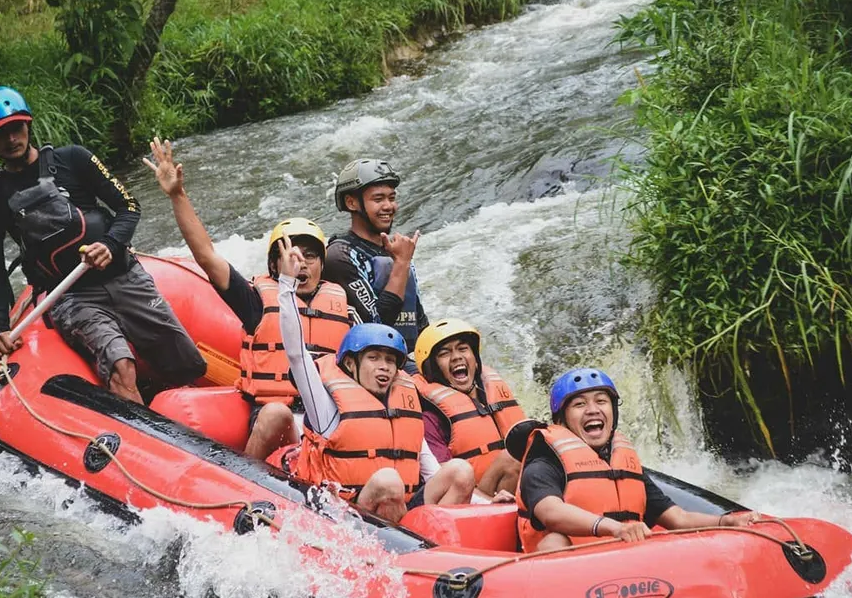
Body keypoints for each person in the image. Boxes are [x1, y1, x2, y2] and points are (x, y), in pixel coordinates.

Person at [0, 87, 205, 404]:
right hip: (70, 296)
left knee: (187, 365)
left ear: (28, 125)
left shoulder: (74, 159)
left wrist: (110, 244)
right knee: (121, 366)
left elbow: (129, 206)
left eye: (16, 127)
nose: (11, 139)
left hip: (125, 276)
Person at [142, 137, 351, 459]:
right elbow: (207, 256)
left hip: (328, 415)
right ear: (273, 265)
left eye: (311, 256)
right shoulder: (255, 301)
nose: (302, 262)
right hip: (276, 413)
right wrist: (178, 195)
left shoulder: (341, 305)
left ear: (323, 265)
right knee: (275, 414)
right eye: (291, 254)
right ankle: (247, 483)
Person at [272, 235, 474, 523]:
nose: (385, 368)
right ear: (351, 364)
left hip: (403, 523)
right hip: (346, 515)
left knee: (460, 471)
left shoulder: (403, 405)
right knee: (389, 480)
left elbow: (433, 474)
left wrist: (485, 501)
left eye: (391, 361)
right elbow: (296, 354)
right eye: (374, 358)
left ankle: (434, 552)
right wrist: (286, 285)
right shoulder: (326, 407)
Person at [514, 368, 762, 552]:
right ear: (561, 420)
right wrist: (614, 527)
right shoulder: (543, 461)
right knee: (553, 541)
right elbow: (550, 512)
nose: (592, 410)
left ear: (613, 411)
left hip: (626, 566)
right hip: (572, 568)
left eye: (601, 401)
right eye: (579, 404)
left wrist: (725, 520)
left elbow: (678, 519)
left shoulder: (623, 464)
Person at [412, 319, 525, 502]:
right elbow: (443, 481)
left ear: (475, 359)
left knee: (520, 454)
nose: (456, 357)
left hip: (507, 496)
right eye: (444, 353)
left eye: (463, 349)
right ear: (432, 368)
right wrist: (488, 502)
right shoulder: (431, 419)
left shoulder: (495, 396)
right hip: (466, 502)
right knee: (510, 459)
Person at [324, 159, 428, 351]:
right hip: (370, 362)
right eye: (378, 199)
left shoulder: (395, 252)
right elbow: (376, 324)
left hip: (406, 358)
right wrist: (402, 264)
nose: (389, 206)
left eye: (392, 198)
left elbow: (420, 323)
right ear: (351, 202)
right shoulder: (339, 256)